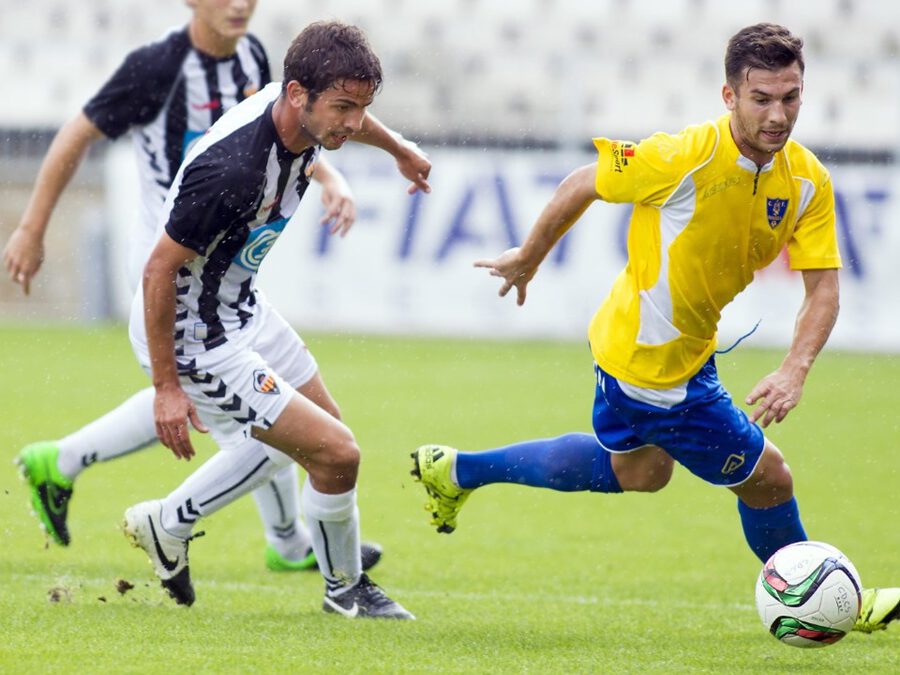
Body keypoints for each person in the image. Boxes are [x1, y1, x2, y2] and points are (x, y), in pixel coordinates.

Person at [410, 23, 900, 634]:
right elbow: (584, 180)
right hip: (649, 363)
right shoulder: (682, 155)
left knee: (641, 472)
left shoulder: (806, 181)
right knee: (768, 478)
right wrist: (530, 255)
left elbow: (823, 285)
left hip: (673, 349)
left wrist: (795, 367)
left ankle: (455, 470)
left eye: (791, 97)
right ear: (729, 96)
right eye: (762, 98)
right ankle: (831, 605)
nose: (778, 115)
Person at [4, 0, 385, 574]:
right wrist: (32, 228)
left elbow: (288, 124)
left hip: (227, 255)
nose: (239, 5)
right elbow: (77, 133)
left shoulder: (258, 60)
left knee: (253, 411)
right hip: (171, 255)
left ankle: (65, 460)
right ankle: (245, 534)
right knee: (246, 418)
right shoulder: (157, 67)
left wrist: (333, 171)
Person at [124, 20, 425, 618]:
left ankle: (171, 523)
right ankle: (343, 590)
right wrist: (166, 388)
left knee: (326, 436)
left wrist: (398, 150)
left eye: (360, 107)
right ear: (296, 95)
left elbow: (349, 121)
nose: (351, 122)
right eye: (342, 108)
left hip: (239, 305)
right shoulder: (233, 171)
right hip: (195, 335)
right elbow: (158, 271)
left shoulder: (303, 114)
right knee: (336, 453)